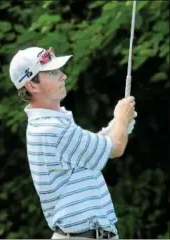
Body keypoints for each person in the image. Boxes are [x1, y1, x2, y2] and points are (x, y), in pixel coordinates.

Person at [9, 46, 136, 239]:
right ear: (32, 86)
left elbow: (90, 148)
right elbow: (115, 148)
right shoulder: (51, 128)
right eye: (52, 73)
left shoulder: (50, 123)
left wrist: (119, 125)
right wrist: (120, 119)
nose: (63, 76)